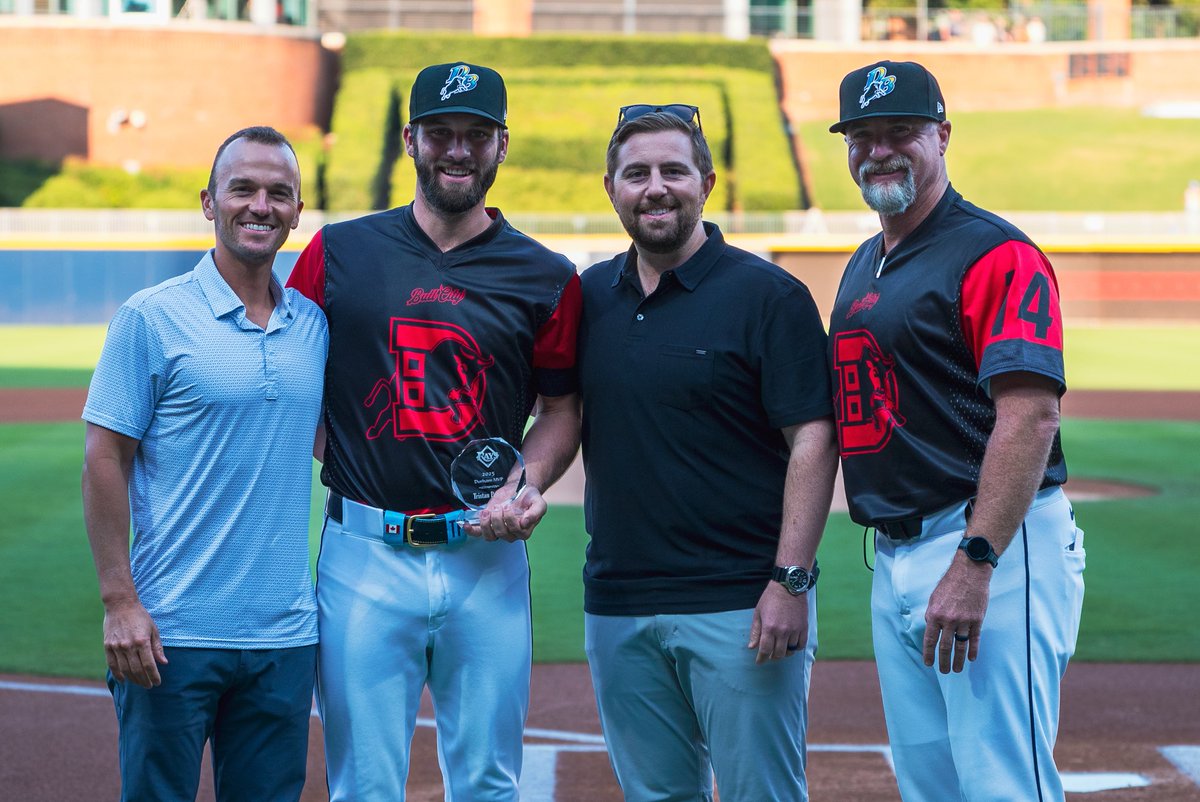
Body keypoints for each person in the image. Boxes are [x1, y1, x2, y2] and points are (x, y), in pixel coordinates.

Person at [285, 62, 581, 800]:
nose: (458, 150)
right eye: (441, 133)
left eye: (476, 135)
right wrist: (349, 449)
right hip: (362, 555)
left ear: (501, 145)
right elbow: (291, 376)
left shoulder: (546, 274)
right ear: (410, 139)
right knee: (364, 784)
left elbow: (562, 409)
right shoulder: (338, 251)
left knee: (486, 780)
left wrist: (527, 482)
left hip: (485, 555)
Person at [826, 60, 1086, 801]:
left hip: (990, 548)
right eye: (863, 135)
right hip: (899, 555)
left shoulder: (994, 253)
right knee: (930, 785)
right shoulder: (866, 262)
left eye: (900, 132)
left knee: (1005, 783)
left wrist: (976, 559)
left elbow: (1031, 414)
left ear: (942, 135)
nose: (879, 150)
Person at [576, 105, 839, 801]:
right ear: (610, 188)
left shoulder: (769, 296)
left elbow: (813, 437)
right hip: (619, 603)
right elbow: (558, 415)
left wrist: (791, 580)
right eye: (636, 173)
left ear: (707, 181)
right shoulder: (588, 297)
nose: (655, 187)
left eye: (673, 170)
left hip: (740, 605)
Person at [81, 126, 326, 801]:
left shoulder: (314, 326)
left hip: (284, 636)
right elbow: (105, 457)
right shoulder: (152, 317)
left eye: (279, 193)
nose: (260, 205)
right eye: (242, 188)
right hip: (171, 634)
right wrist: (119, 602)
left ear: (298, 212)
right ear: (208, 203)